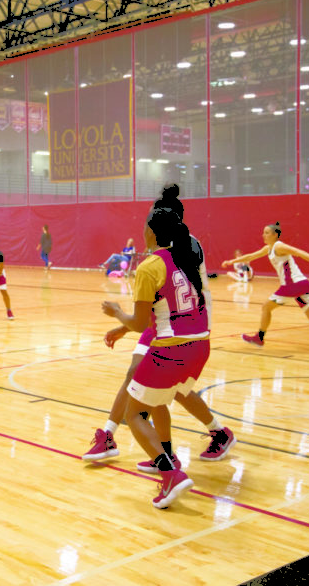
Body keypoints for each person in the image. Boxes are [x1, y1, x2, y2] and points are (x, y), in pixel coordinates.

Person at [85, 184, 234, 470]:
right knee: (154, 385)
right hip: (171, 322)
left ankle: (202, 438)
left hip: (186, 324)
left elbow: (167, 300)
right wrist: (128, 327)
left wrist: (123, 319)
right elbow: (156, 306)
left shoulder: (180, 248)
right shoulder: (175, 248)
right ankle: (152, 447)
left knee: (164, 387)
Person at [100, 208, 212, 508]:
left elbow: (139, 323)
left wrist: (117, 313)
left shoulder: (150, 266)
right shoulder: (187, 259)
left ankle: (170, 472)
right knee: (159, 399)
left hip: (172, 349)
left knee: (134, 413)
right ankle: (168, 454)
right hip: (201, 346)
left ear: (151, 232)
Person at [221, 222, 309, 348]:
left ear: (275, 235)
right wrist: (232, 261)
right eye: (263, 232)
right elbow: (251, 256)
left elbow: (299, 252)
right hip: (302, 284)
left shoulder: (279, 246)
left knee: (266, 307)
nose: (263, 235)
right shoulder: (269, 248)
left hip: (292, 284)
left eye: (267, 232)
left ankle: (259, 338)